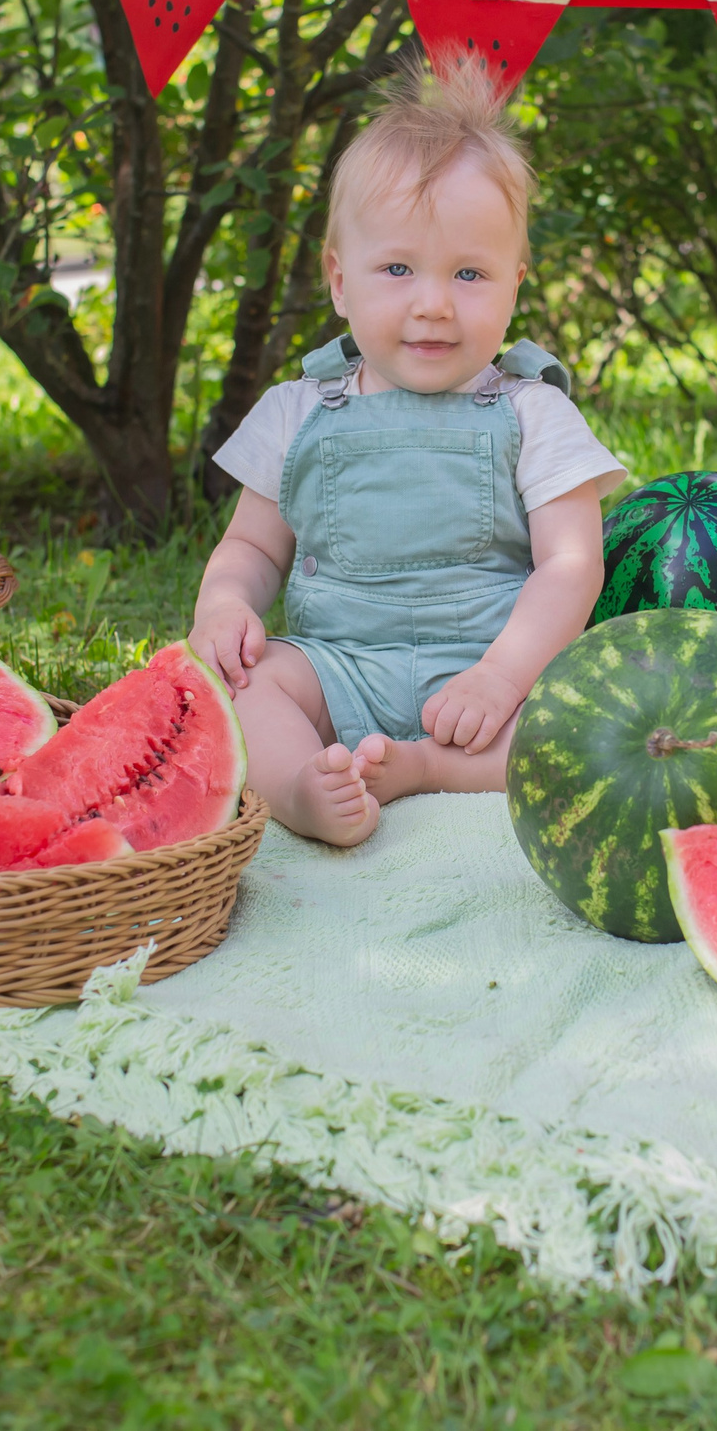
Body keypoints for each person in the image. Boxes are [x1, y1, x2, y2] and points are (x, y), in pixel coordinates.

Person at [194, 60, 624, 845]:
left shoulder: (533, 411)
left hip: (491, 673)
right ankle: (301, 786)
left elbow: (572, 564)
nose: (432, 304)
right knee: (241, 689)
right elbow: (253, 544)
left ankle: (430, 768)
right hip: (336, 667)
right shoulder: (298, 410)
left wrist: (501, 675)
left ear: (514, 286)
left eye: (469, 273)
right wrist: (224, 606)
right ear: (339, 281)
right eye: (397, 269)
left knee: (582, 733)